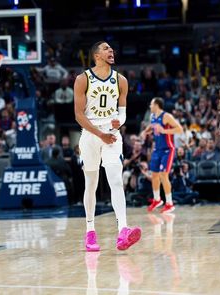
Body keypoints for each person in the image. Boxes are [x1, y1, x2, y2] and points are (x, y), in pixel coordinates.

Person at [74, 40, 141, 252]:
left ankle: (123, 230)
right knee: (91, 183)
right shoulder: (82, 79)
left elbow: (122, 112)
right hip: (91, 134)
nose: (111, 50)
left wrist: (118, 122)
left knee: (115, 180)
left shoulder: (121, 80)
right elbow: (78, 115)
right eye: (106, 48)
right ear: (96, 55)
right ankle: (90, 231)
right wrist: (99, 133)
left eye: (112, 48)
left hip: (111, 135)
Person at [143, 97, 183, 213]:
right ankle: (157, 199)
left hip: (168, 149)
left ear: (156, 105)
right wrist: (147, 131)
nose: (150, 106)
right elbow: (153, 128)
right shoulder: (152, 117)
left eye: (151, 104)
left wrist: (164, 131)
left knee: (163, 175)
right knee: (154, 175)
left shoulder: (167, 116)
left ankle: (170, 203)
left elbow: (179, 129)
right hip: (157, 149)